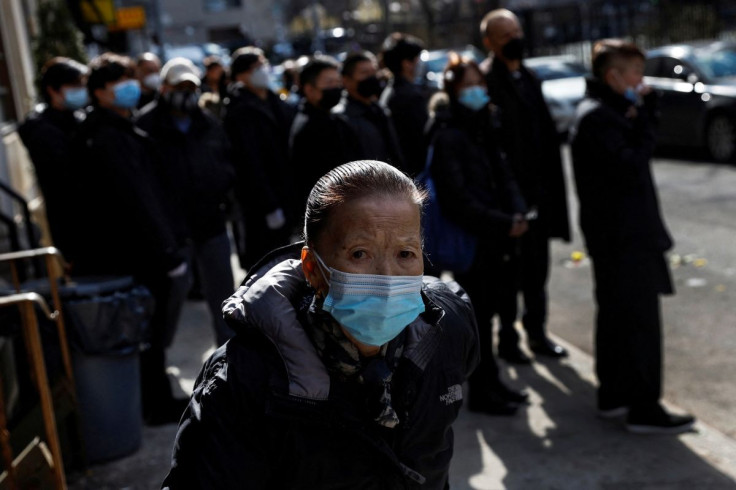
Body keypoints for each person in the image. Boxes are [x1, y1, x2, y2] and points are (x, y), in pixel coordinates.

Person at [162, 160, 479, 488]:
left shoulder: (447, 324)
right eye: (359, 254)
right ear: (312, 268)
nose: (388, 277)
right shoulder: (246, 379)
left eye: (405, 253)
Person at [569, 39, 696, 434]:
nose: (642, 82)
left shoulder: (601, 112)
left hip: (617, 238)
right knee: (638, 324)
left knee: (617, 319)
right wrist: (648, 116)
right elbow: (631, 164)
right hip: (626, 240)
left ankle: (615, 395)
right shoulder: (600, 118)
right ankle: (643, 408)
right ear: (613, 76)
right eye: (636, 74)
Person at [71, 53, 189, 425]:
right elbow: (138, 199)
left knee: (149, 332)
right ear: (100, 92)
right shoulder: (107, 136)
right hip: (136, 252)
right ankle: (155, 404)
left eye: (130, 79)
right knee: (147, 332)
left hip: (135, 249)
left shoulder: (118, 129)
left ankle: (153, 399)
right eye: (118, 82)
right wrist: (166, 249)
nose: (131, 88)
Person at [426, 54, 529, 415]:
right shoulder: (448, 133)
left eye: (479, 83)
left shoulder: (487, 123)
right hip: (475, 240)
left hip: (500, 232)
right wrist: (501, 222)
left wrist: (516, 214)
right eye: (467, 85)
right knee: (478, 320)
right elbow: (457, 198)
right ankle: (483, 392)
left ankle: (495, 383)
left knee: (499, 311)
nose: (477, 91)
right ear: (453, 90)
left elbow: (504, 173)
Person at [480, 8, 571, 363]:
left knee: (537, 270)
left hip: (539, 194)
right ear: (489, 43)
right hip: (507, 200)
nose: (515, 39)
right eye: (505, 35)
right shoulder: (487, 81)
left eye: (516, 31)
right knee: (508, 274)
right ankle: (509, 339)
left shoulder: (529, 77)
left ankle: (537, 333)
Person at [136, 57, 236, 347]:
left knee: (224, 298)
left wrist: (224, 194)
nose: (186, 92)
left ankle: (230, 362)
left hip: (211, 224)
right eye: (179, 86)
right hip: (173, 231)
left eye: (191, 86)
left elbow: (226, 163)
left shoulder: (207, 123)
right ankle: (158, 359)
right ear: (165, 88)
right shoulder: (146, 125)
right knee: (169, 301)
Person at [223, 46, 296, 270]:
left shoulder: (274, 100)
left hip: (285, 190)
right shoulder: (239, 109)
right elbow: (250, 161)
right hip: (261, 201)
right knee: (266, 260)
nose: (264, 70)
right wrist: (269, 204)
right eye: (257, 67)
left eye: (264, 64)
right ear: (241, 75)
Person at [18, 57, 88, 257]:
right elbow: (66, 181)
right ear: (52, 90)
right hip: (71, 223)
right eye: (74, 85)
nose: (80, 90)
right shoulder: (43, 131)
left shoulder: (76, 119)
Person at [289, 55, 360, 209]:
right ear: (309, 89)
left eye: (337, 82)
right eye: (329, 83)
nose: (336, 88)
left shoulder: (332, 118)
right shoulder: (309, 128)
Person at [333, 51, 406, 171]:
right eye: (364, 73)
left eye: (374, 72)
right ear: (346, 80)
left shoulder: (380, 110)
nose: (372, 77)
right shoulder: (341, 120)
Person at [379, 33, 427, 176]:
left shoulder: (390, 91)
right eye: (418, 59)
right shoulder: (409, 96)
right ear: (407, 63)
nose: (421, 64)